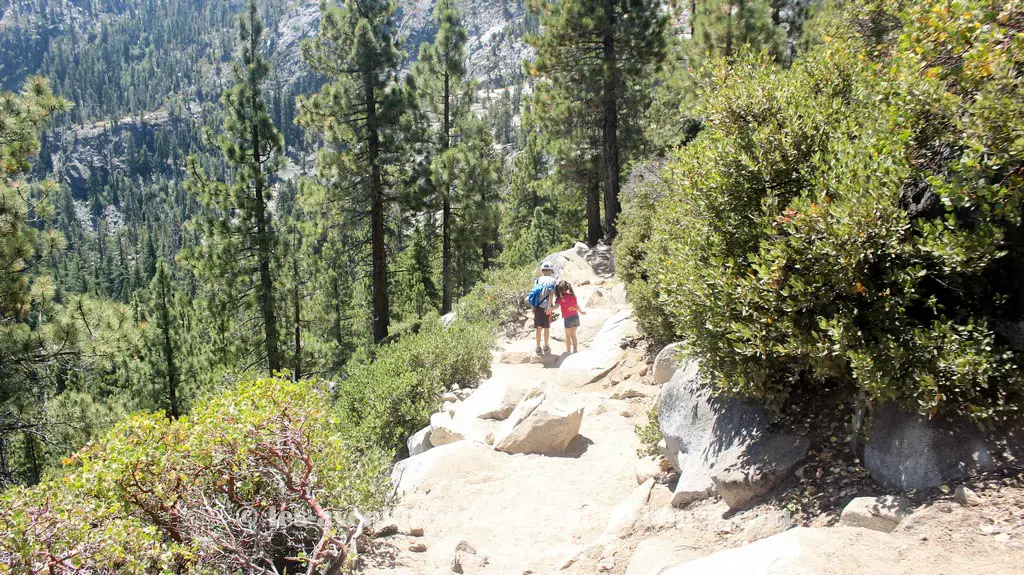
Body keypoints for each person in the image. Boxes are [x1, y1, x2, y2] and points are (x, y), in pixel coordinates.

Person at [532, 261, 557, 355]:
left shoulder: (537, 280)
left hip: (537, 307)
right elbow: (551, 294)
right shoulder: (553, 281)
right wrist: (549, 307)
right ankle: (546, 347)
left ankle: (538, 348)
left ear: (542, 270)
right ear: (551, 270)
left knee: (538, 328)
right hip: (546, 307)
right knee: (546, 328)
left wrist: (534, 306)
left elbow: (535, 293)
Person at [556, 280, 585, 354]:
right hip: (575, 316)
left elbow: (556, 306)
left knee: (568, 336)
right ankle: (575, 350)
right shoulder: (572, 296)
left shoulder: (560, 298)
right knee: (573, 335)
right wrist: (581, 312)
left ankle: (568, 352)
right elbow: (576, 306)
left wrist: (549, 309)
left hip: (568, 318)